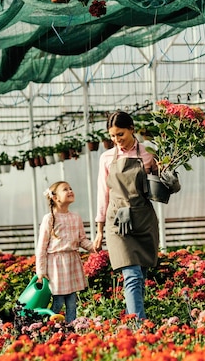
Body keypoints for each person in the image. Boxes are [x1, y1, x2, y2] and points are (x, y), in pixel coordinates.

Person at [93, 110, 159, 320]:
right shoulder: (106, 158)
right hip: (117, 222)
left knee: (141, 277)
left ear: (132, 129)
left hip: (142, 218)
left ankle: (132, 323)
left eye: (120, 134)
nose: (116, 140)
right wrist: (99, 230)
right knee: (131, 274)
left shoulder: (149, 152)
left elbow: (160, 186)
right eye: (112, 136)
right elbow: (102, 193)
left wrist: (166, 175)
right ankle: (140, 326)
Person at [35, 181, 95, 323]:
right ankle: (48, 327)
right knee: (59, 300)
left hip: (72, 262)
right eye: (65, 189)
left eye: (71, 188)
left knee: (72, 301)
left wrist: (95, 247)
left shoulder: (76, 217)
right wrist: (40, 271)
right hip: (56, 265)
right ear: (55, 198)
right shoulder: (49, 219)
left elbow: (82, 240)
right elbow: (41, 247)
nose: (70, 191)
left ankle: (71, 328)